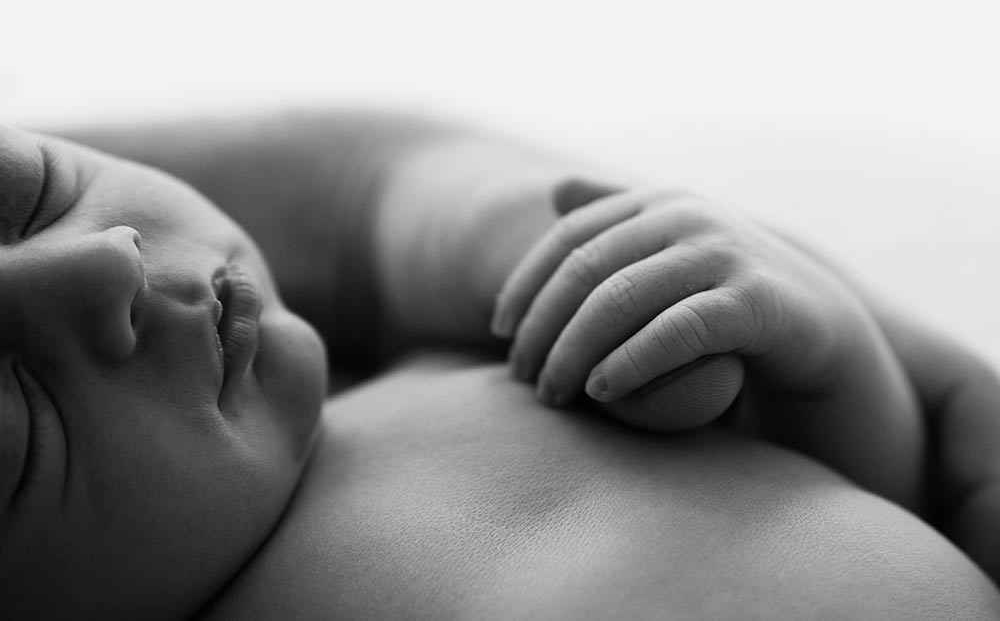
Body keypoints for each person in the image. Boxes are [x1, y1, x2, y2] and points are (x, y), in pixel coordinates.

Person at [1, 111, 998, 619]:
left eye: (31, 189)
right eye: (14, 408)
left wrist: (819, 346)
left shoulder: (479, 355)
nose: (107, 261)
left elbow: (872, 491)